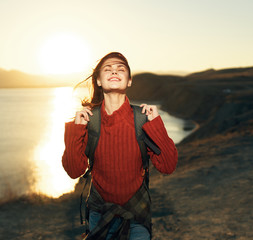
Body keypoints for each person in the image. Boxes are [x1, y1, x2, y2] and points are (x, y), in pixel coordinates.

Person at [62, 52, 178, 239]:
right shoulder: (89, 121)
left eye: (120, 68)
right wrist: (76, 129)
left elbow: (168, 166)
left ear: (129, 81)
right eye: (107, 69)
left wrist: (156, 124)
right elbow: (74, 170)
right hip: (99, 213)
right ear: (99, 81)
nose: (114, 71)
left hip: (136, 213)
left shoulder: (143, 119)